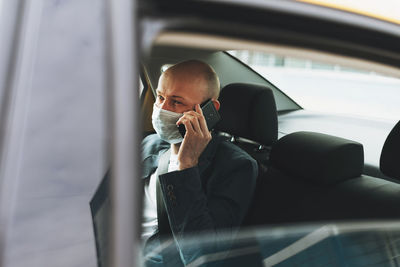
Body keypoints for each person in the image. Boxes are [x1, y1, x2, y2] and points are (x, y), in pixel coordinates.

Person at [141, 60, 257, 266]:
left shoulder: (236, 167)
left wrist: (186, 166)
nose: (162, 108)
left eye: (176, 102)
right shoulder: (150, 144)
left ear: (208, 109)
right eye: (160, 97)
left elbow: (201, 256)